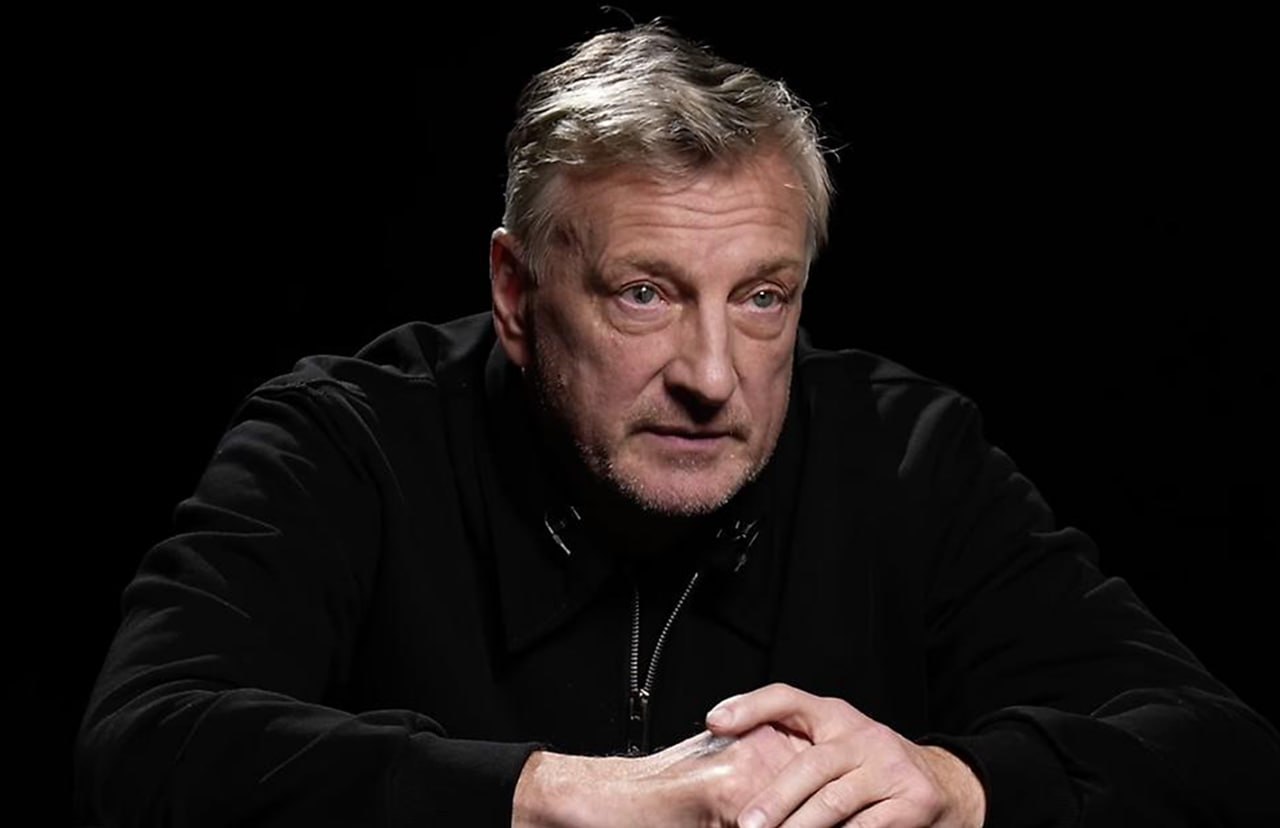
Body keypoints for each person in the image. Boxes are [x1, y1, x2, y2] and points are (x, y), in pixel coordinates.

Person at [75, 23, 1279, 827]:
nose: (712, 376)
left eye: (760, 298)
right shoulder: (344, 442)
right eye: (643, 293)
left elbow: (1220, 752)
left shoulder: (907, 455)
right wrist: (565, 798)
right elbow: (140, 747)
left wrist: (955, 784)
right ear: (514, 295)